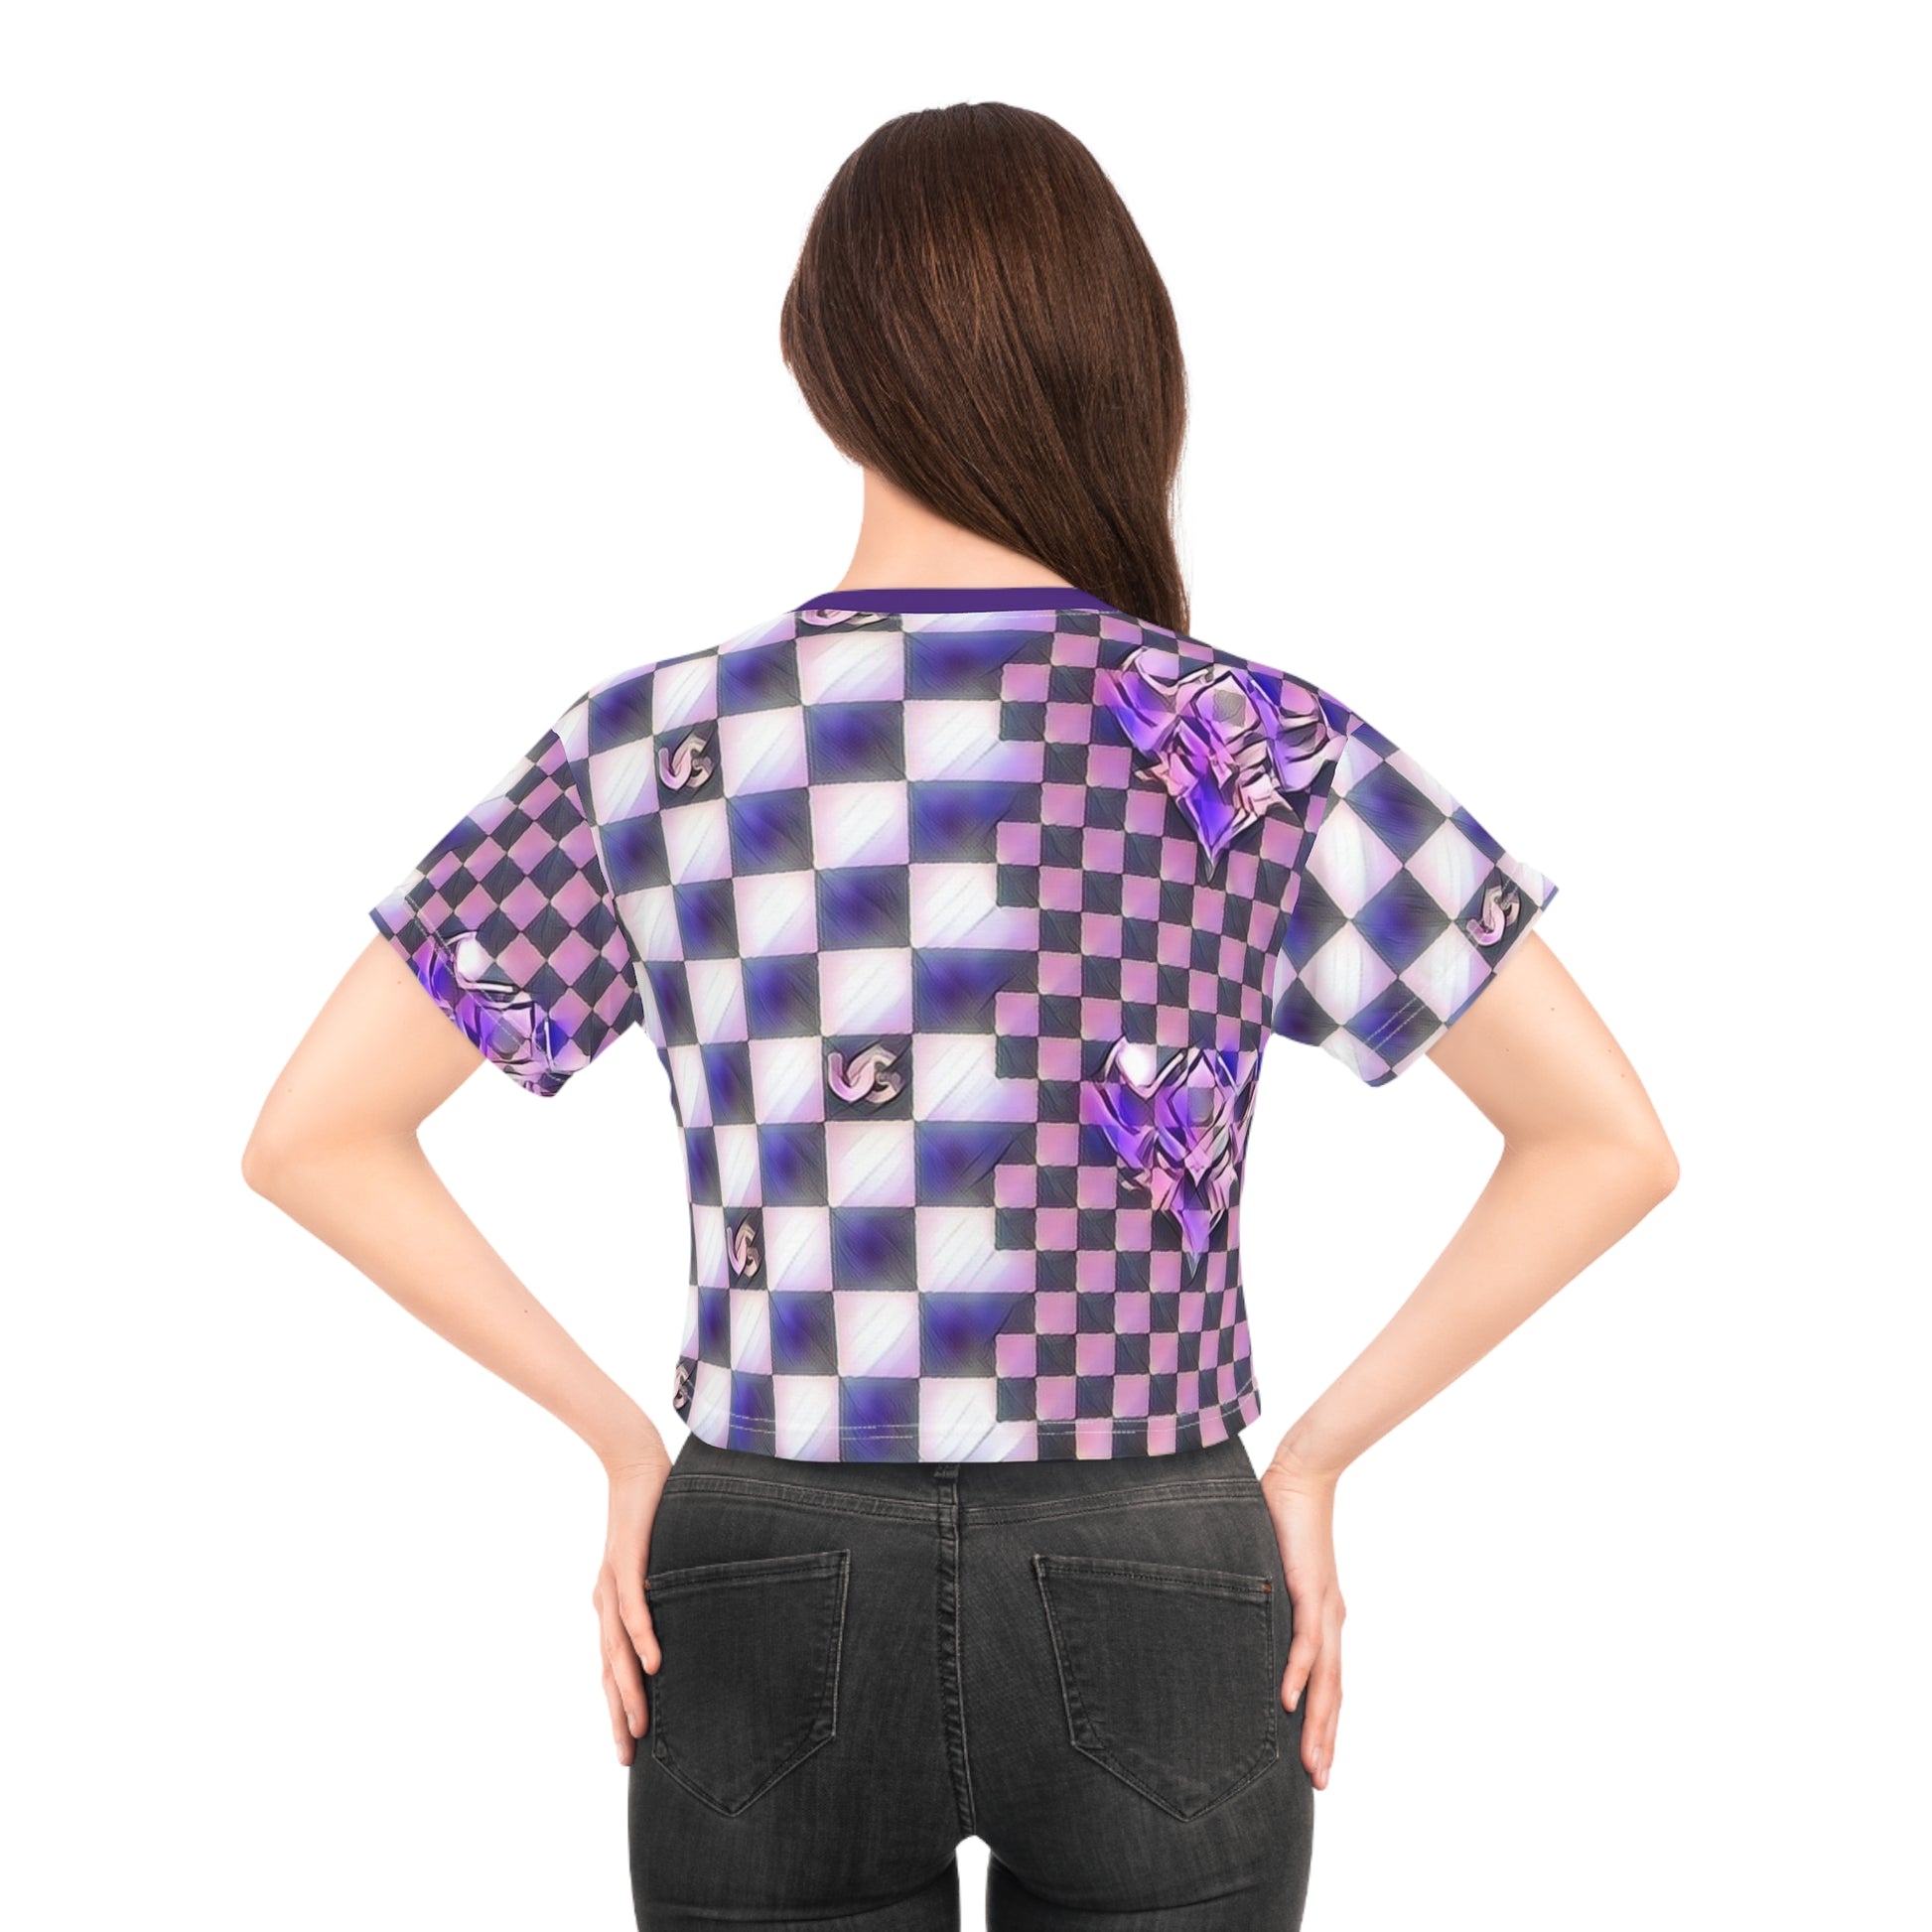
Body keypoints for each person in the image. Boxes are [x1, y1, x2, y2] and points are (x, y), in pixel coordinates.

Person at [242, 101, 1678, 1932]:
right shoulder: (1257, 743)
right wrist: (1312, 1462)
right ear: (1123, 366)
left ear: (819, 363)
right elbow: (1603, 1139)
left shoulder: (651, 747)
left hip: (763, 1549)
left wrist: (622, 1442)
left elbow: (316, 1132)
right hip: (1159, 1548)